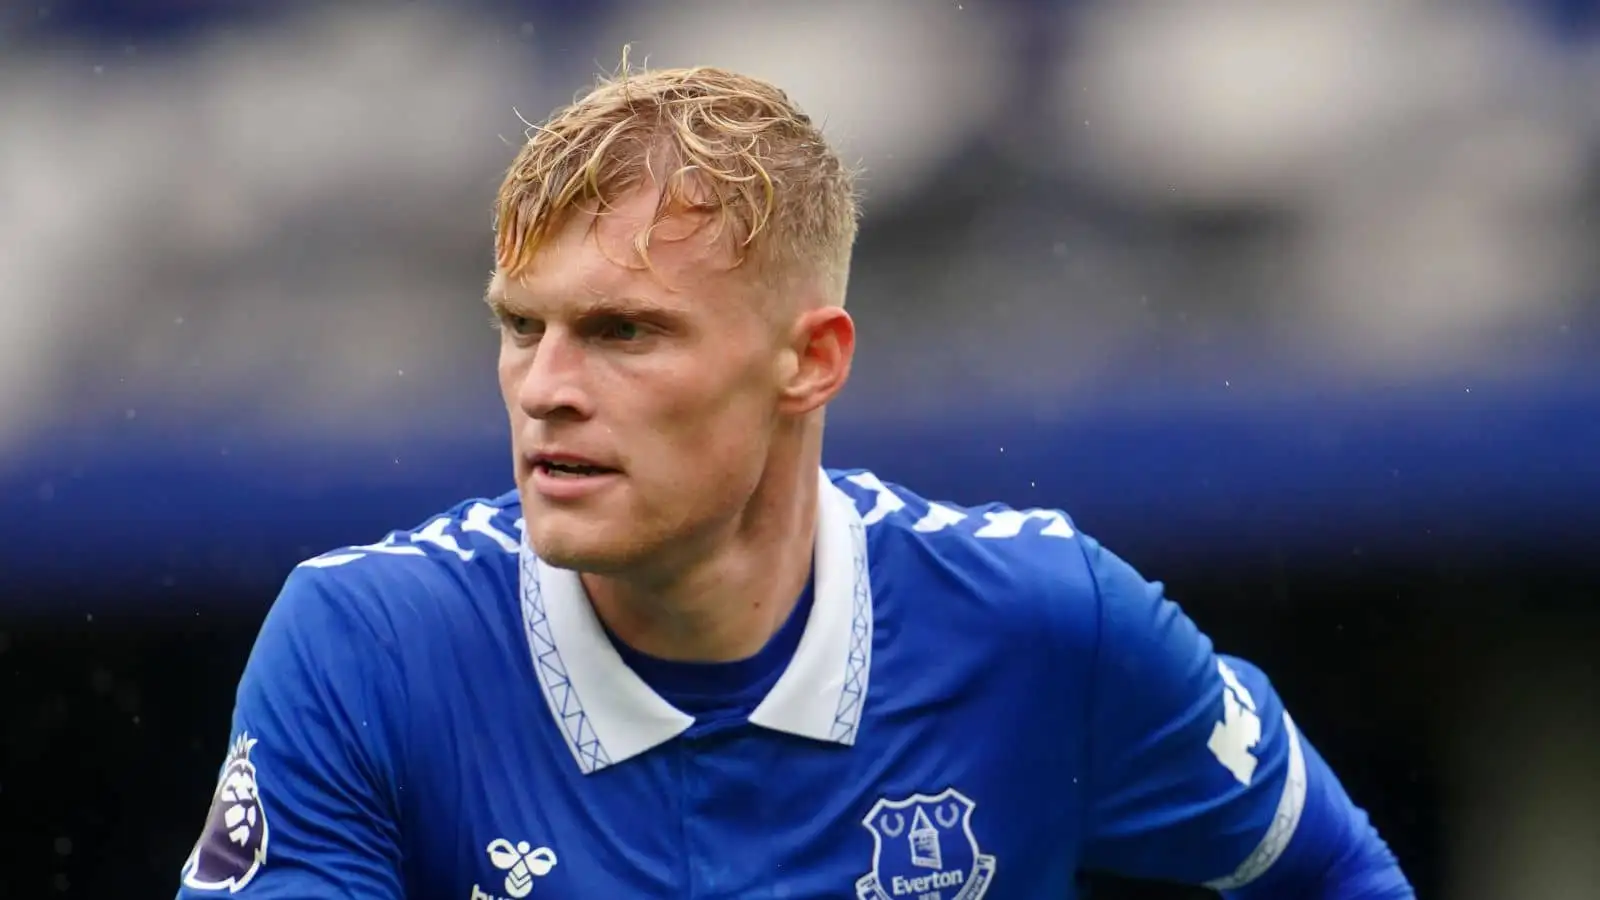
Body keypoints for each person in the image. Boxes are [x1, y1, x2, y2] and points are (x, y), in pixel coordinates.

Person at [176, 59, 1415, 899]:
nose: (545, 385)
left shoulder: (1045, 624)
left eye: (623, 332)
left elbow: (1335, 875)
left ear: (808, 361)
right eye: (520, 326)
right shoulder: (365, 650)